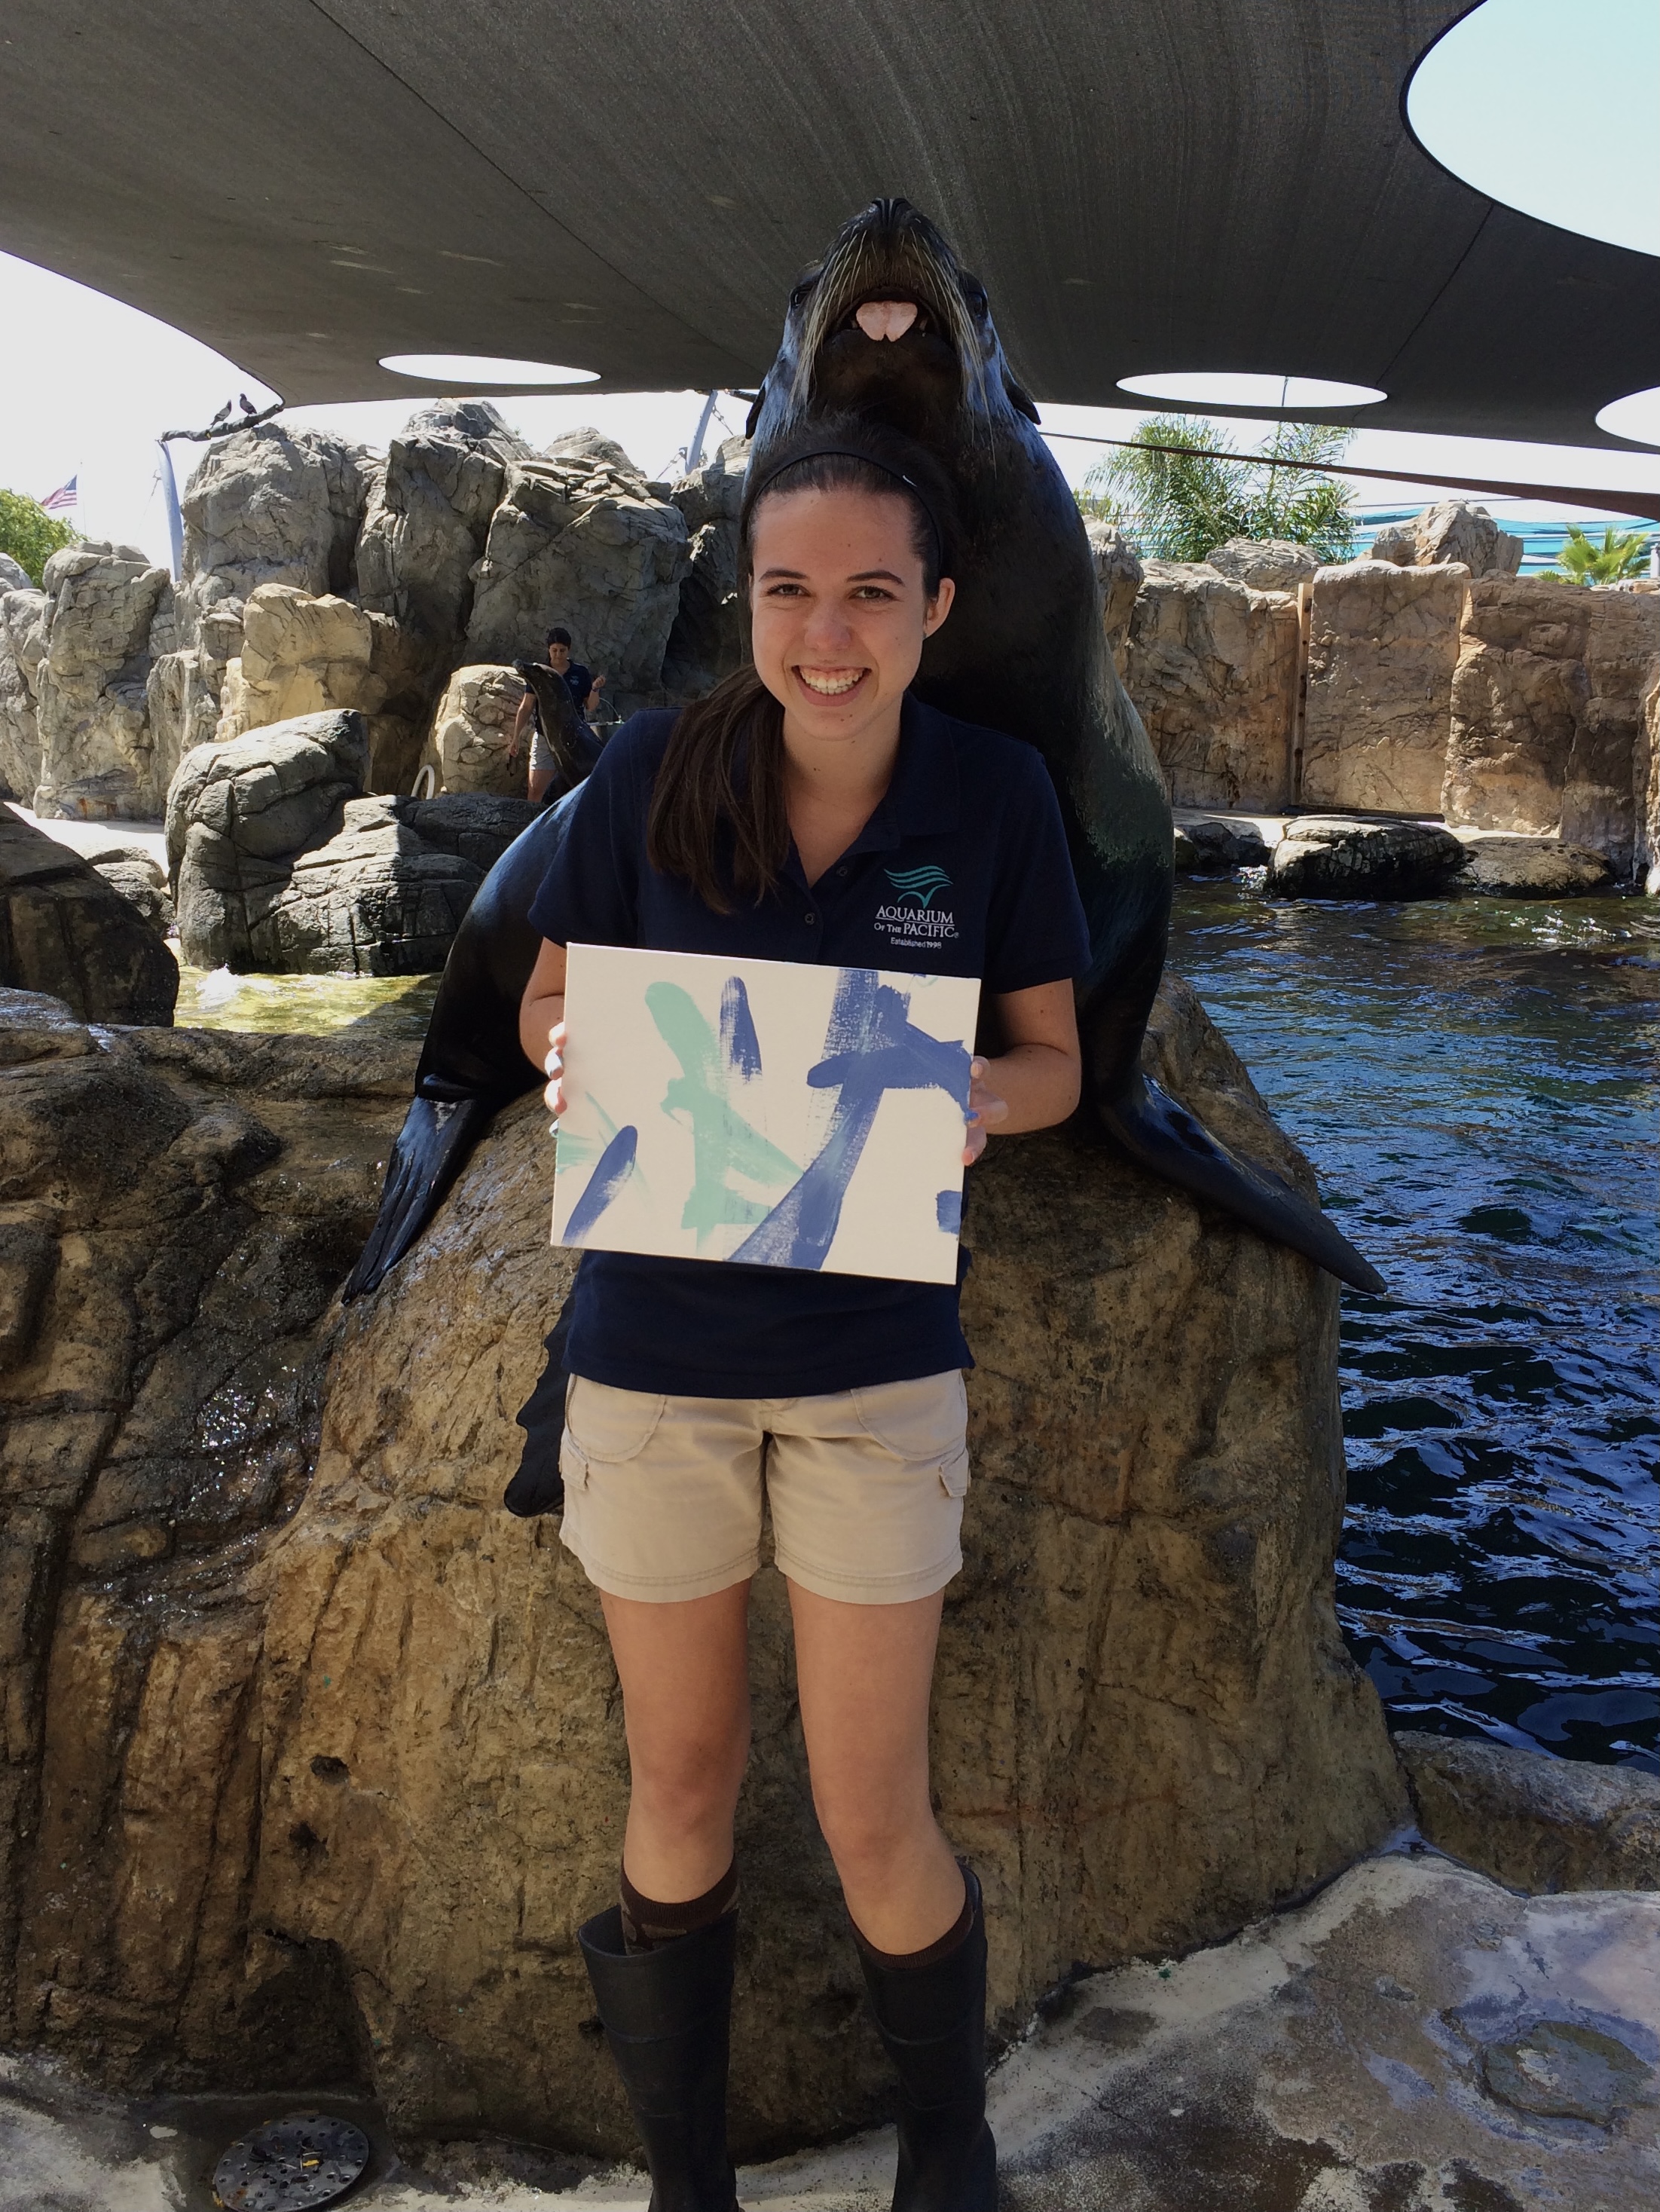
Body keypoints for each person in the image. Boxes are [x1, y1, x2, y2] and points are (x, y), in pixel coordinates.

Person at [517, 423, 1089, 2212]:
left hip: (869, 1378)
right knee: (677, 1788)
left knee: (871, 1813)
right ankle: (686, 2182)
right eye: (785, 590)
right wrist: (563, 1057)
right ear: (741, 602)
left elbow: (1057, 1062)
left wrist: (953, 1101)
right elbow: (548, 986)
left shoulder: (991, 798)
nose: (822, 633)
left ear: (931, 606)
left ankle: (946, 2147)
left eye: (864, 591)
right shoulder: (645, 771)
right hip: (651, 1368)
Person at [511, 627, 606, 803]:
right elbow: (527, 706)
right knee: (535, 791)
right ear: (549, 650)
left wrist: (594, 689)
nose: (558, 654)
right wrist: (516, 736)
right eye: (554, 650)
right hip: (545, 736)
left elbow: (591, 706)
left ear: (568, 650)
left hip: (575, 739)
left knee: (581, 788)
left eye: (562, 650)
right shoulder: (541, 674)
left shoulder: (580, 672)